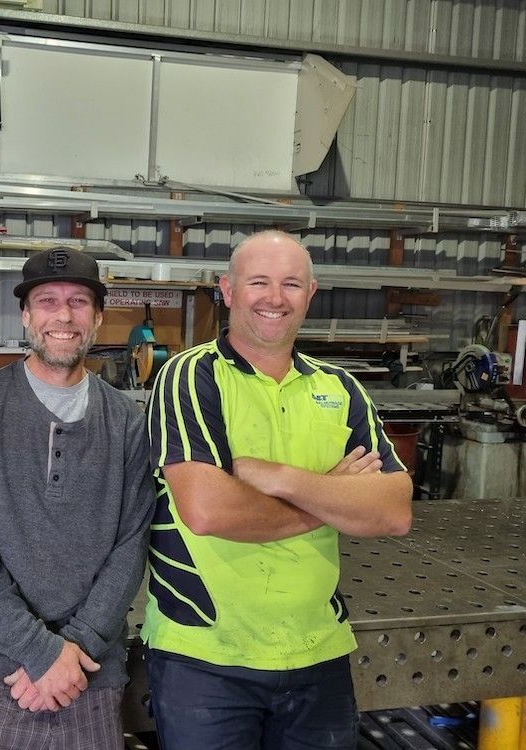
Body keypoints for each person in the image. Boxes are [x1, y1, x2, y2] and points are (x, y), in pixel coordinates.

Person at [144, 230, 413, 750]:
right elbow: (208, 510)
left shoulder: (341, 388)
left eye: (291, 284)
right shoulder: (191, 376)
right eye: (258, 282)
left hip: (318, 650)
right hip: (206, 655)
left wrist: (284, 479)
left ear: (310, 294)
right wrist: (333, 496)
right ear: (227, 290)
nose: (275, 297)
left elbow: (394, 512)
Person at [0, 246, 155, 750]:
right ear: (26, 315)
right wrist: (39, 652)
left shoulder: (126, 420)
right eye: (47, 301)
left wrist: (72, 651)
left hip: (88, 672)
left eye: (78, 302)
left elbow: (131, 544)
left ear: (97, 317)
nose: (63, 316)